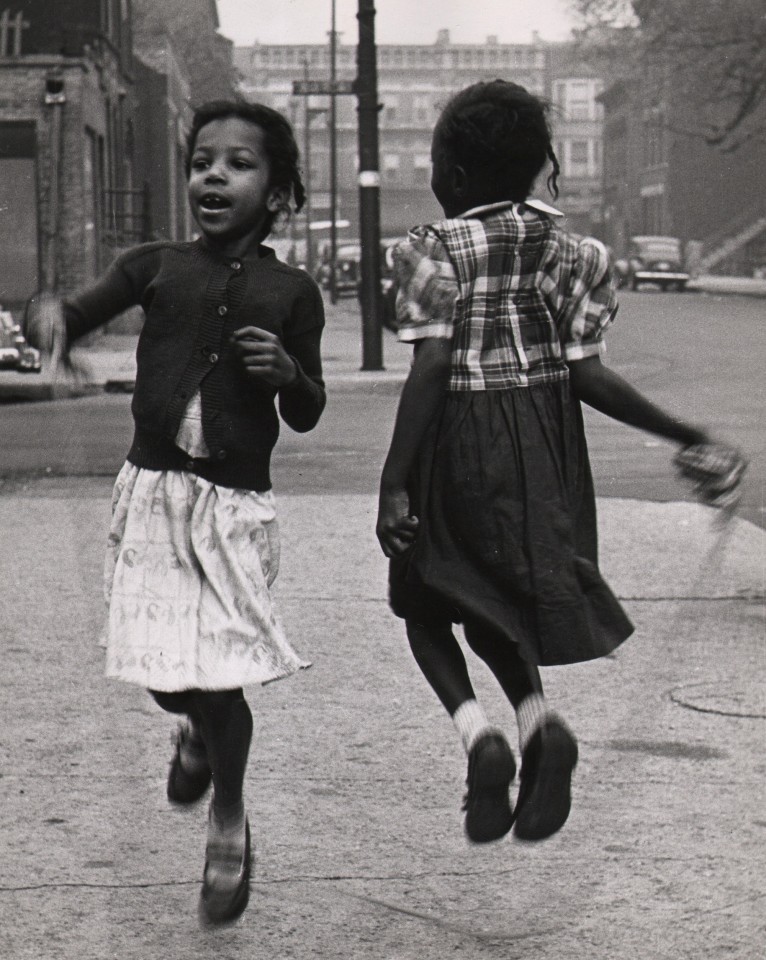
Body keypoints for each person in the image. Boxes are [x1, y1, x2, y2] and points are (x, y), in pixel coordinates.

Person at [376, 81, 745, 847]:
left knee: (423, 603)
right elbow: (590, 376)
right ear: (539, 165)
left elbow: (433, 366)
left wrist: (394, 482)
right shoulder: (571, 254)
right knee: (504, 605)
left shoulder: (431, 250)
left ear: (452, 177)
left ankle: (480, 734)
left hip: (458, 449)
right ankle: (540, 722)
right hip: (545, 451)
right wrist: (684, 433)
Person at [28, 101, 326, 922]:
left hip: (232, 508)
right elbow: (69, 316)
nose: (213, 176)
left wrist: (286, 377)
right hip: (154, 497)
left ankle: (228, 816)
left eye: (238, 164)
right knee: (167, 679)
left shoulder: (292, 292)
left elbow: (308, 409)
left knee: (221, 676)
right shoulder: (151, 265)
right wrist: (49, 320)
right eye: (202, 161)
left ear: (277, 191)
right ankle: (189, 730)